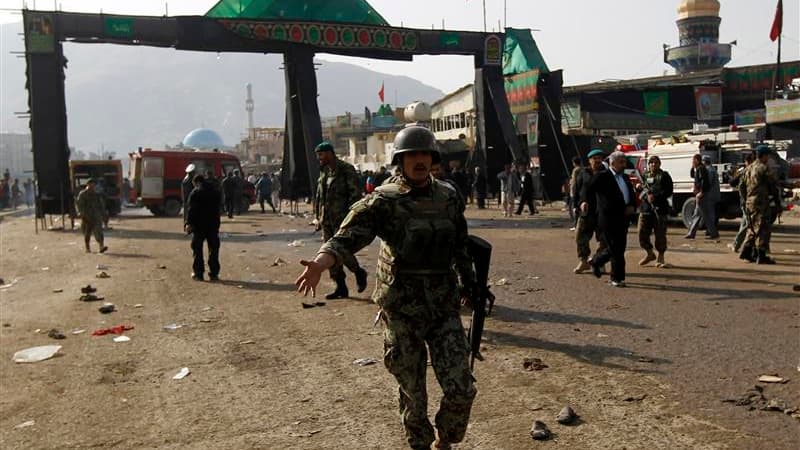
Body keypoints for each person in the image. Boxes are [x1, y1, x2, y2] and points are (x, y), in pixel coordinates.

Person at [295, 126, 476, 450]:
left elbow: (460, 244)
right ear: (400, 160)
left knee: (461, 388)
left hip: (442, 305)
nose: (419, 161)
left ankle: (446, 438)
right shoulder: (383, 201)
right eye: (412, 155)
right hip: (402, 309)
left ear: (433, 158)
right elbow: (345, 238)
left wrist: (471, 283)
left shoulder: (449, 196)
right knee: (413, 394)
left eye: (425, 154)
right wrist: (320, 264)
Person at [313, 141, 368, 299]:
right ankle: (341, 286)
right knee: (329, 251)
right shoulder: (324, 172)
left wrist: (352, 217)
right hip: (327, 219)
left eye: (321, 154)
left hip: (342, 219)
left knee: (342, 250)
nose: (319, 158)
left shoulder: (346, 170)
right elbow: (319, 196)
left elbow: (355, 194)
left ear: (330, 153)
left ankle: (358, 272)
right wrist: (317, 216)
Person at [582, 150, 635, 287]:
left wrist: (631, 205)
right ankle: (616, 278)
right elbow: (588, 188)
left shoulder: (625, 178)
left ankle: (596, 261)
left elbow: (630, 194)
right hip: (608, 217)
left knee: (620, 247)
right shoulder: (602, 176)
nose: (624, 165)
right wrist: (584, 201)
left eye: (624, 162)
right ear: (612, 163)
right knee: (614, 247)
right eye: (621, 162)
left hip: (623, 217)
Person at [739, 145, 778, 264]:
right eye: (768, 156)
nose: (768, 158)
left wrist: (746, 199)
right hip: (761, 202)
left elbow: (741, 186)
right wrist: (776, 199)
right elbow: (773, 184)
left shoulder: (748, 168)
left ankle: (746, 251)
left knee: (752, 227)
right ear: (764, 156)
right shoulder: (763, 168)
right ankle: (761, 255)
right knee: (764, 228)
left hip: (750, 202)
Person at [573, 149, 608, 274]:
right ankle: (583, 261)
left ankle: (600, 262)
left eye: (599, 158)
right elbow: (577, 191)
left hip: (602, 212)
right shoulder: (583, 173)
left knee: (604, 239)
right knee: (580, 237)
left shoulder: (607, 173)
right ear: (589, 160)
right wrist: (578, 204)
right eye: (595, 158)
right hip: (586, 211)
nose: (597, 160)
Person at [635, 155, 673, 267]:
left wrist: (655, 197)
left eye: (656, 162)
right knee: (641, 232)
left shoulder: (664, 176)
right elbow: (640, 189)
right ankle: (649, 253)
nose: (653, 164)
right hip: (646, 209)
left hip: (659, 209)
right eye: (651, 162)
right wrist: (638, 187)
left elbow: (668, 191)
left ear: (659, 164)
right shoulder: (645, 176)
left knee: (660, 233)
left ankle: (660, 257)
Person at [185, 174, 222, 281]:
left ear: (197, 182)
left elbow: (191, 210)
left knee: (197, 249)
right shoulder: (216, 192)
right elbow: (219, 207)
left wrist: (189, 223)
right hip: (213, 225)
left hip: (199, 226)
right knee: (214, 249)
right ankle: (214, 273)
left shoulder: (196, 192)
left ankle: (198, 273)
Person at [685, 154, 718, 239]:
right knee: (697, 214)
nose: (692, 162)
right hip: (701, 195)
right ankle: (692, 233)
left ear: (697, 160)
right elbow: (693, 176)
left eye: (693, 161)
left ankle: (713, 233)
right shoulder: (700, 169)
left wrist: (701, 193)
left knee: (705, 215)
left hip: (703, 196)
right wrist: (692, 167)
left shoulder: (703, 169)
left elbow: (705, 182)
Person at [728, 153, 755, 253]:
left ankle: (737, 244)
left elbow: (733, 183)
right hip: (749, 202)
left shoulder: (745, 171)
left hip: (747, 202)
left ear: (746, 162)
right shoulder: (752, 170)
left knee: (746, 224)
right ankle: (737, 244)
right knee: (746, 224)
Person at [75, 179, 108, 254]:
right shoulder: (82, 194)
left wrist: (104, 214)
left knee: (99, 231)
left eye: (94, 185)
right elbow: (79, 205)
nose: (92, 186)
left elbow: (101, 205)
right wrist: (82, 214)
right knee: (87, 233)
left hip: (96, 216)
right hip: (87, 216)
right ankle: (87, 248)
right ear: (87, 184)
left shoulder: (96, 194)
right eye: (91, 184)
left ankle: (101, 246)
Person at [703, 155, 721, 236]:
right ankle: (710, 230)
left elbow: (708, 183)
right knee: (711, 213)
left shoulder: (709, 170)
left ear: (704, 162)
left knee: (710, 213)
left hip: (710, 195)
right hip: (714, 194)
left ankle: (711, 230)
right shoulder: (713, 169)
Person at [568, 157, 582, 230]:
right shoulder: (583, 169)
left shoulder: (575, 170)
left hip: (575, 192)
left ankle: (576, 225)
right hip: (580, 191)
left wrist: (572, 192)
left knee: (574, 208)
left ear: (574, 162)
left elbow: (573, 182)